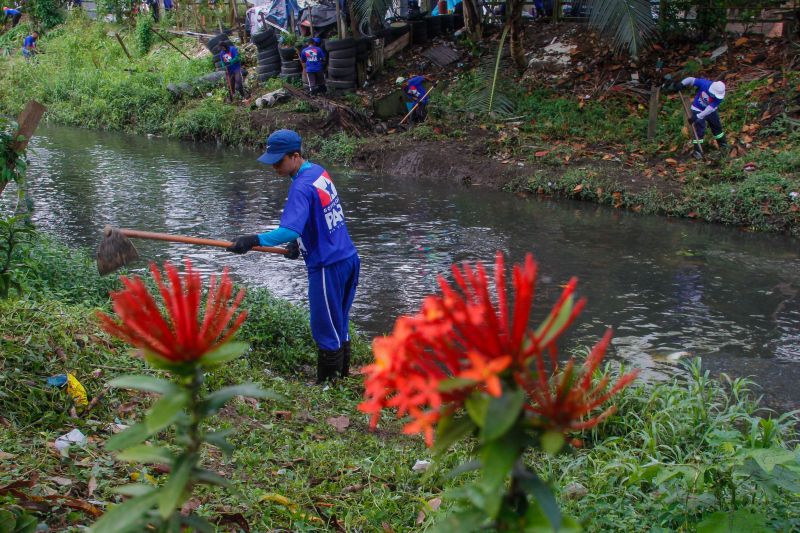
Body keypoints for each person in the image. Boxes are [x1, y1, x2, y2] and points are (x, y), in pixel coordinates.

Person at [228, 130, 360, 383]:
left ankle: (328, 386)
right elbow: (318, 216)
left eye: (278, 161)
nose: (274, 167)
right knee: (339, 323)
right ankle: (341, 381)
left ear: (295, 156)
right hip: (348, 258)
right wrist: (298, 243)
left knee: (325, 326)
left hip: (327, 265)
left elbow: (290, 227)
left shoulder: (300, 186)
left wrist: (253, 240)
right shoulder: (318, 172)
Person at [681, 76, 728, 159]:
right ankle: (698, 151)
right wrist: (681, 83)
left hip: (710, 111)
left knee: (717, 127)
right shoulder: (705, 84)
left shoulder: (719, 97)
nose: (714, 96)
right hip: (697, 108)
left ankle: (723, 146)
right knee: (699, 130)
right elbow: (691, 80)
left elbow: (710, 108)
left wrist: (698, 117)